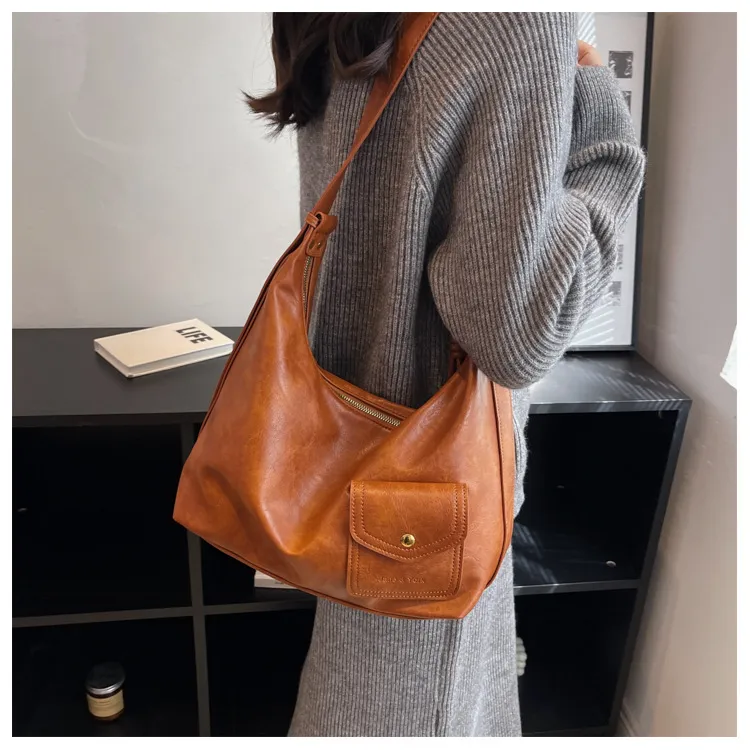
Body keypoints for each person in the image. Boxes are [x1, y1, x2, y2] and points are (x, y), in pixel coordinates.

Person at [248, 12, 645, 738]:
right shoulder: (515, 20)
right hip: (432, 494)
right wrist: (603, 142)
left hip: (350, 453)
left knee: (362, 692)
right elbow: (518, 333)